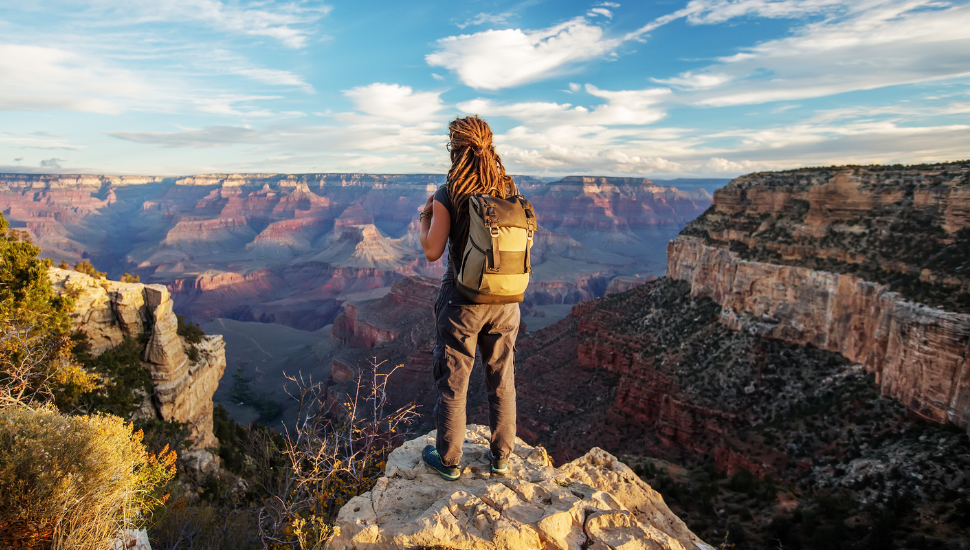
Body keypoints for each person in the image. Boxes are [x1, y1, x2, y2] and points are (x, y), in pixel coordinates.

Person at [418, 116, 521, 480]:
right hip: (507, 300)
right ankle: (502, 458)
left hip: (463, 301)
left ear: (455, 149)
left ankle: (448, 460)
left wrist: (424, 215)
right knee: (501, 378)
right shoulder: (508, 188)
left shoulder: (451, 191)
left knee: (454, 381)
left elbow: (432, 251)